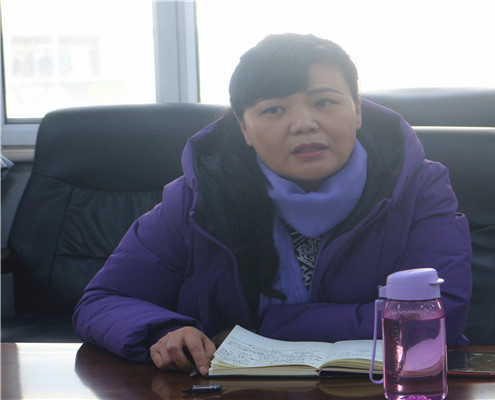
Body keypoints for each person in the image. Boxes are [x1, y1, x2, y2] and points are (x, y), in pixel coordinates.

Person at [73, 33, 472, 375]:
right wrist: (164, 330)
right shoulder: (199, 197)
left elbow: (438, 313)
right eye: (274, 110)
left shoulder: (418, 187)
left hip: (388, 387)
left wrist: (261, 328)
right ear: (244, 129)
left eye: (324, 102)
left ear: (357, 111)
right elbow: (101, 302)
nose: (303, 124)